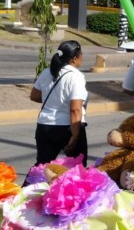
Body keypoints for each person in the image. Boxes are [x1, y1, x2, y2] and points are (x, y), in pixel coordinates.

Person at [29, 40, 89, 168]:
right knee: (78, 168)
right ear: (74, 58)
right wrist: (75, 134)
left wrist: (53, 101)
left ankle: (30, 187)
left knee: (42, 167)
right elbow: (75, 109)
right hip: (67, 127)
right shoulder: (75, 76)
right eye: (81, 54)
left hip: (44, 125)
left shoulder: (46, 72)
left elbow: (34, 96)